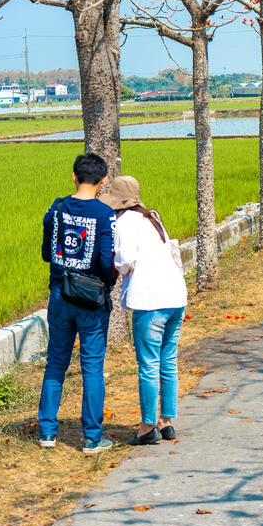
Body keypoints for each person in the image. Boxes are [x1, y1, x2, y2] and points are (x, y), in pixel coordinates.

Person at [38, 153, 117, 453]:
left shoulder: (56, 208)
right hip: (90, 298)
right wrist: (107, 283)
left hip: (59, 294)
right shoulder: (104, 213)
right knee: (92, 367)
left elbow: (47, 252)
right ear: (103, 180)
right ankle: (92, 438)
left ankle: (47, 433)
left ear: (74, 176)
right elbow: (107, 260)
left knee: (56, 362)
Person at [104, 176, 187, 447]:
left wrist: (114, 266)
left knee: (149, 364)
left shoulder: (125, 222)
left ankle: (147, 426)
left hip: (150, 301)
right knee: (168, 360)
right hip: (175, 297)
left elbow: (125, 260)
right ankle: (167, 422)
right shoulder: (152, 216)